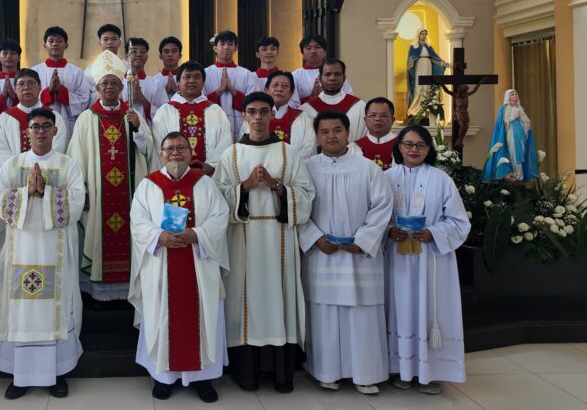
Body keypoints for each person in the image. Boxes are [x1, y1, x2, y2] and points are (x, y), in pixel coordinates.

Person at [213, 92, 315, 394]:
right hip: (242, 239)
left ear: (272, 114)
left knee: (278, 299)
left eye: (264, 111)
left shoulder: (288, 153)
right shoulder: (231, 154)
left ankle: (282, 374)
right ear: (244, 115)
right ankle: (247, 373)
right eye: (252, 111)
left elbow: (306, 195)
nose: (258, 117)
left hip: (279, 236)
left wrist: (275, 185)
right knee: (244, 303)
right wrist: (245, 186)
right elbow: (217, 199)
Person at [0, 108, 86, 399]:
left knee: (55, 308)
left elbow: (77, 202)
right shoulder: (13, 164)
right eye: (35, 127)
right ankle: (20, 375)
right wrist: (25, 193)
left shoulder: (67, 165)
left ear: (55, 131)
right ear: (27, 131)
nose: (41, 131)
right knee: (20, 310)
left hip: (56, 249)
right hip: (20, 249)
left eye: (46, 126)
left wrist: (46, 191)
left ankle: (56, 373)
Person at [130, 132, 229, 402]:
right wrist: (158, 236)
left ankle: (202, 379)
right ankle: (164, 378)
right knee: (161, 316)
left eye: (181, 148)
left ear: (190, 152)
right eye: (169, 149)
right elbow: (137, 221)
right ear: (161, 154)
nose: (175, 153)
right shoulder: (148, 185)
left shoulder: (205, 183)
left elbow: (220, 217)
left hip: (199, 264)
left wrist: (196, 234)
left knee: (203, 317)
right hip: (161, 264)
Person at [299, 111, 392, 395]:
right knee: (324, 314)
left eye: (337, 130)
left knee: (362, 314)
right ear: (317, 136)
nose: (331, 136)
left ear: (348, 132)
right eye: (324, 131)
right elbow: (297, 208)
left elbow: (382, 207)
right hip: (322, 256)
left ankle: (365, 373)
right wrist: (315, 238)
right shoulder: (306, 169)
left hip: (359, 256)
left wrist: (363, 240)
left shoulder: (368, 169)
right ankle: (327, 372)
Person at [385, 125, 470, 395]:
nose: (413, 149)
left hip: (431, 259)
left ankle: (431, 372)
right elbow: (374, 216)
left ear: (429, 149)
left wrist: (434, 232)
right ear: (399, 147)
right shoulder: (385, 178)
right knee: (399, 309)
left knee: (430, 309)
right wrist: (389, 231)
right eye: (408, 144)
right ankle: (400, 369)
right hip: (396, 259)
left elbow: (459, 221)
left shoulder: (441, 180)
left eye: (420, 145)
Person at [67, 51, 152, 301]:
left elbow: (149, 150)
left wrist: (137, 128)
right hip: (98, 193)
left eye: (115, 83)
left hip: (129, 192)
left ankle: (129, 293)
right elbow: (76, 157)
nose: (110, 87)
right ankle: (100, 295)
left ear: (122, 88)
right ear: (97, 88)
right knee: (98, 233)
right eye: (105, 83)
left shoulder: (133, 115)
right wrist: (81, 191)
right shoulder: (86, 118)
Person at [151, 61, 233, 176]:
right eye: (187, 76)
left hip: (210, 176)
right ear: (178, 82)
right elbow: (159, 144)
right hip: (174, 175)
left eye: (196, 77)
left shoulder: (216, 111)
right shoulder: (164, 111)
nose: (192, 81)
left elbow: (225, 141)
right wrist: (175, 167)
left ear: (203, 82)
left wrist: (212, 165)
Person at [0, 68, 69, 183]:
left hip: (47, 180)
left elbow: (58, 149)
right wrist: (24, 174)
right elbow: (0, 153)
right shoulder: (4, 119)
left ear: (40, 87)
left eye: (31, 83)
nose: (26, 87)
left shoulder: (54, 117)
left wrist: (39, 174)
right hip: (14, 181)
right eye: (21, 84)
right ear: (15, 89)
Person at [32, 26, 91, 135]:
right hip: (40, 125)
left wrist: (61, 90)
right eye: (51, 41)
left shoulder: (76, 72)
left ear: (66, 45)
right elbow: (29, 99)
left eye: (59, 41)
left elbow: (84, 100)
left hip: (69, 124)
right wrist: (48, 91)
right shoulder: (35, 71)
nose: (55, 44)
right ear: (45, 45)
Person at [244, 71, 314, 159]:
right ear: (266, 90)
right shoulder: (253, 117)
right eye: (275, 85)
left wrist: (289, 164)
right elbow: (245, 147)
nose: (279, 89)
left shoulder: (302, 117)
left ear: (292, 93)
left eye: (284, 86)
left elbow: (308, 149)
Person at [204, 31, 259, 140]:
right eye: (222, 44)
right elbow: (200, 102)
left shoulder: (247, 74)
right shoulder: (205, 74)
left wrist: (233, 91)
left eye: (230, 44)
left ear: (235, 48)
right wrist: (219, 91)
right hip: (213, 123)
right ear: (215, 48)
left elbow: (254, 103)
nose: (226, 47)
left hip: (242, 124)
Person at [300, 59, 367, 141]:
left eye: (337, 74)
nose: (332, 78)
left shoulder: (360, 106)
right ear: (320, 78)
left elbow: (366, 139)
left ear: (344, 78)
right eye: (327, 74)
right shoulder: (305, 110)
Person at [482, 89, 540, 181]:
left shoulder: (520, 108)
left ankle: (519, 174)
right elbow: (504, 122)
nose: (515, 96)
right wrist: (514, 117)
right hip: (511, 134)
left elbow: (527, 121)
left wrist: (524, 121)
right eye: (512, 94)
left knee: (521, 153)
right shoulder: (505, 108)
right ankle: (516, 174)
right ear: (508, 97)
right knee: (513, 153)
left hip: (521, 135)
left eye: (516, 94)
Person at [290, 35, 352, 108]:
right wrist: (311, 98)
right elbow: (292, 103)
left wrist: (328, 95)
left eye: (317, 47)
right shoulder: (295, 76)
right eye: (308, 48)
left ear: (325, 52)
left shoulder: (336, 73)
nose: (313, 51)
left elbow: (348, 97)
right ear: (302, 54)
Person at [405, 28, 448, 119]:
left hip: (428, 65)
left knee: (428, 85)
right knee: (419, 85)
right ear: (419, 35)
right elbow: (411, 58)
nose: (424, 36)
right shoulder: (413, 46)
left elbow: (434, 58)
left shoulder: (429, 46)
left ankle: (426, 108)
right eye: (422, 34)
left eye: (425, 34)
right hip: (419, 66)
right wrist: (410, 64)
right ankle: (416, 108)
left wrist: (442, 63)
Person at [122, 37, 167, 123]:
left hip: (147, 130)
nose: (139, 54)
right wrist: (131, 100)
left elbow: (164, 113)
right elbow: (112, 110)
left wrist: (142, 99)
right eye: (134, 51)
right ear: (127, 55)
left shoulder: (156, 84)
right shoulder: (118, 83)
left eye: (142, 52)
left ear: (146, 56)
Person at [356, 98, 399, 170]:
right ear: (365, 120)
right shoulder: (354, 148)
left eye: (383, 115)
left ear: (393, 120)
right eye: (373, 115)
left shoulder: (403, 146)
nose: (378, 119)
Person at [152, 35, 183, 104]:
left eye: (174, 51)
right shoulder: (154, 80)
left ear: (180, 55)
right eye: (166, 51)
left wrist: (177, 91)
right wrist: (164, 92)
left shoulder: (187, 78)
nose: (170, 55)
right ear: (160, 56)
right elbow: (153, 105)